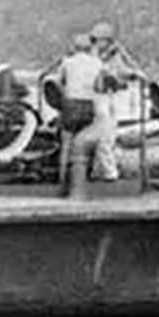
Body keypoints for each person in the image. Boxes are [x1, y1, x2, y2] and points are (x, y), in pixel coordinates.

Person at [88, 21, 147, 181]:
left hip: (109, 97)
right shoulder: (90, 55)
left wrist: (134, 73)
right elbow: (99, 70)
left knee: (110, 135)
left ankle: (97, 171)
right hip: (97, 98)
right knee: (104, 135)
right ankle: (110, 173)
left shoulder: (114, 55)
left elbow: (120, 71)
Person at [53, 33, 106, 198]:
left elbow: (57, 82)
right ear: (90, 48)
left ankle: (62, 184)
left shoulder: (67, 62)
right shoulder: (98, 63)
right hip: (88, 104)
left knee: (67, 144)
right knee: (85, 145)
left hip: (70, 104)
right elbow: (99, 86)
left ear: (74, 47)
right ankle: (82, 181)